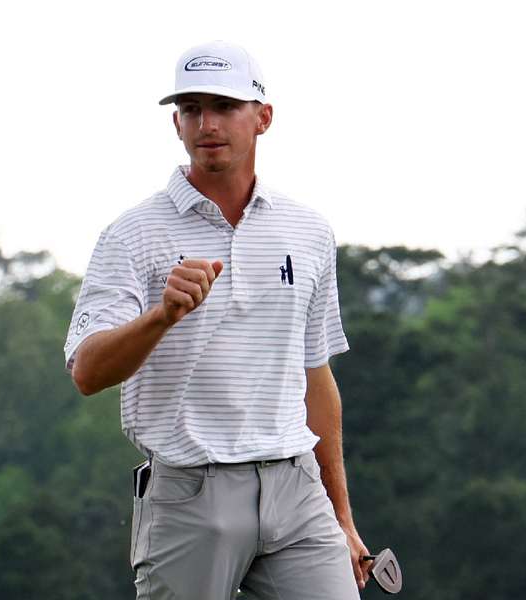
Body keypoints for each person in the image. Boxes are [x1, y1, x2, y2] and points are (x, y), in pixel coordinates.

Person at [64, 40, 369, 600]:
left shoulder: (309, 232)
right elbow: (87, 372)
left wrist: (342, 519)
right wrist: (161, 317)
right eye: (191, 108)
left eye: (225, 106)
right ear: (176, 123)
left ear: (263, 118)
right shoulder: (132, 235)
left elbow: (316, 379)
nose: (207, 123)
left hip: (297, 491)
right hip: (188, 496)